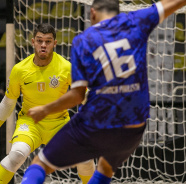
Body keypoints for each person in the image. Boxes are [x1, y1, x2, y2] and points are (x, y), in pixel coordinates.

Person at [21, 0, 186, 184]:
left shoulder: (83, 40)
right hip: (133, 129)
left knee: (40, 163)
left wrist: (45, 110)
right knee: (105, 169)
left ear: (92, 13)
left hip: (96, 123)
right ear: (118, 11)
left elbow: (77, 96)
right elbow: (171, 3)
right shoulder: (137, 20)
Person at [0, 23, 95, 184]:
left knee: (85, 158)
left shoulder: (67, 67)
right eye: (39, 40)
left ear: (55, 43)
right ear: (32, 42)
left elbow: (85, 94)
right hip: (30, 123)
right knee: (17, 153)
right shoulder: (19, 69)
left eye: (48, 41)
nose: (43, 45)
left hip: (59, 123)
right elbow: (8, 102)